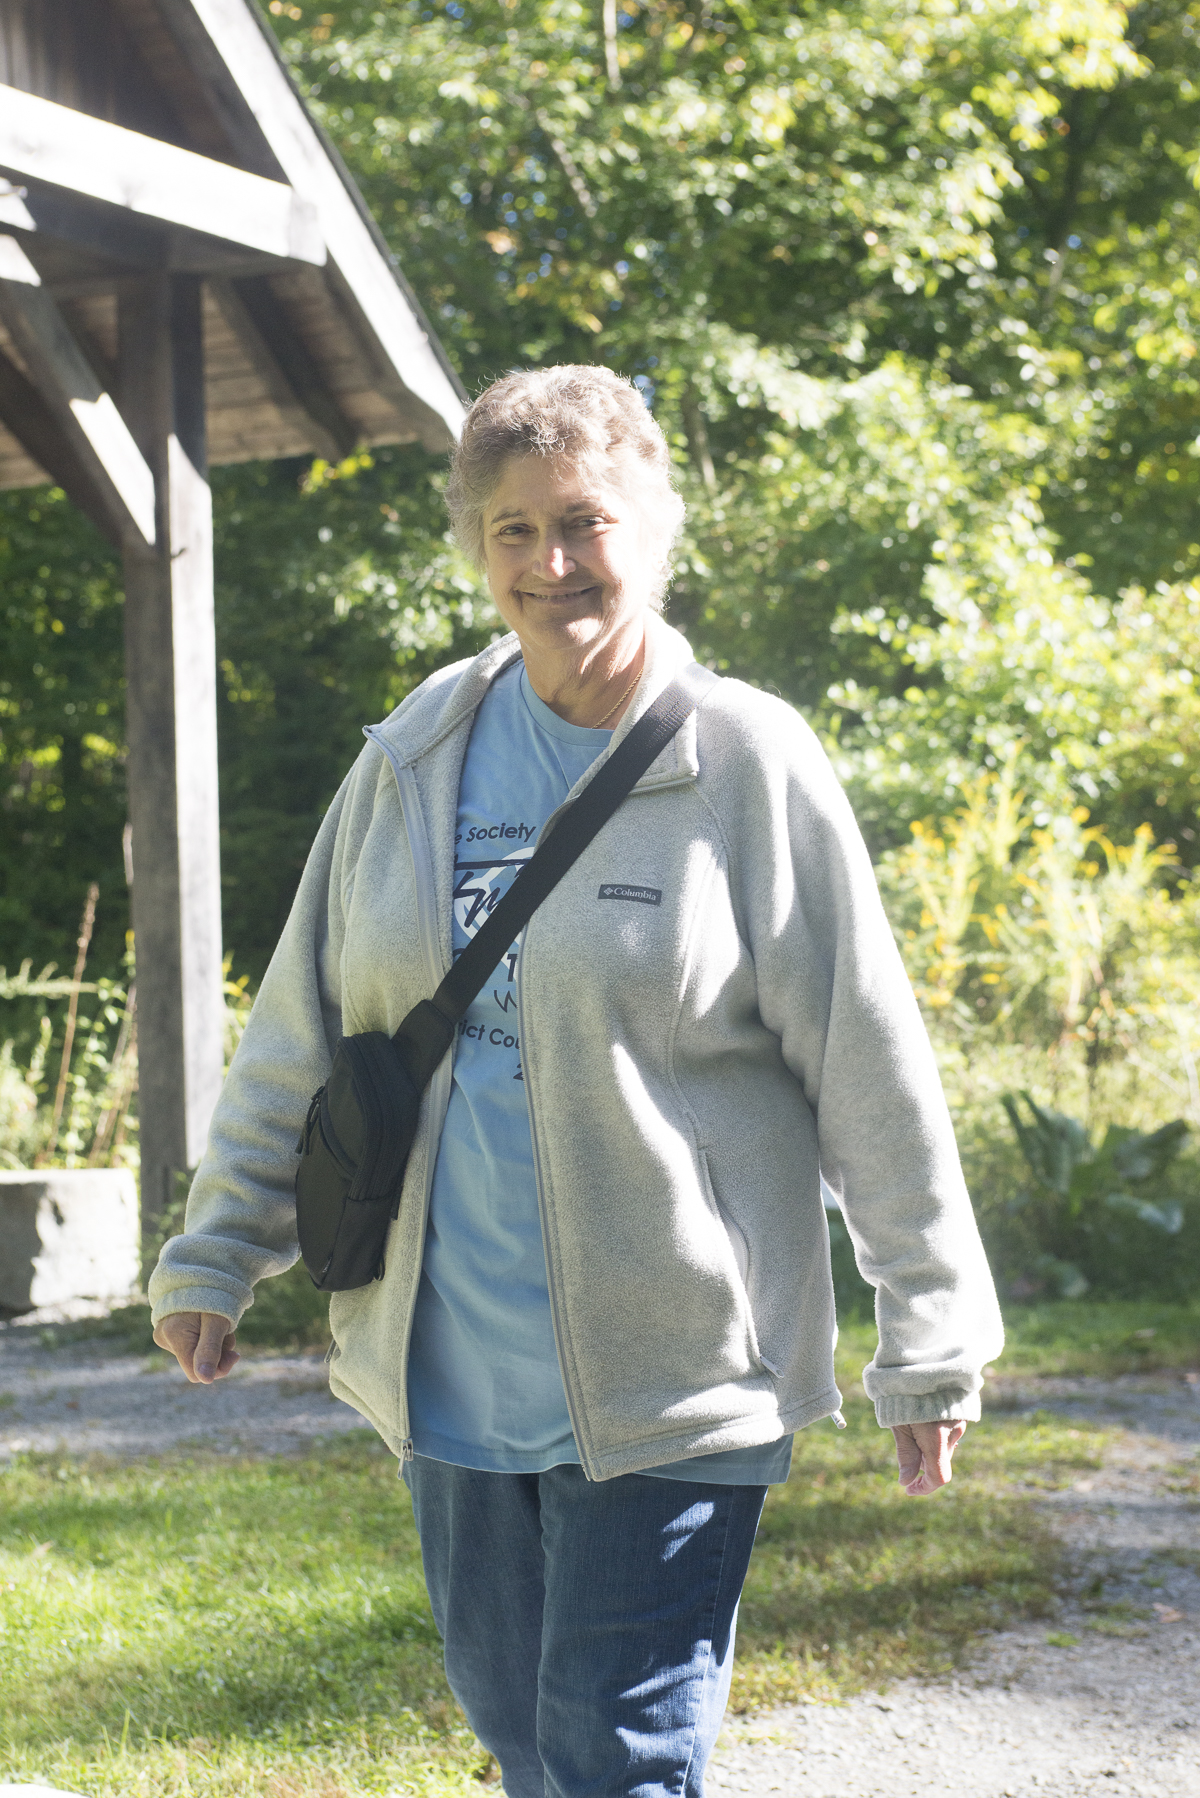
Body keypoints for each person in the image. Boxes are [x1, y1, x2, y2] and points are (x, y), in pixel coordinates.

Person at [150, 364, 1003, 1798]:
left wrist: (928, 1329)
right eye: (516, 529)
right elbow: (304, 1021)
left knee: (617, 1756)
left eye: (586, 521)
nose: (554, 562)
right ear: (478, 549)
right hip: (451, 1365)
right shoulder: (418, 752)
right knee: (523, 1741)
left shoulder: (745, 761)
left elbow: (869, 1057)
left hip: (677, 1367)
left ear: (655, 529)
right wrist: (217, 1246)